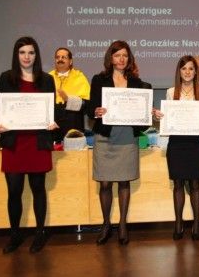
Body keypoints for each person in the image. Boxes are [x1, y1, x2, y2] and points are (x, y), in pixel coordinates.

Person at [0, 36, 58, 253]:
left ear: (36, 56)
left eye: (30, 52)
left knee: (38, 189)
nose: (26, 57)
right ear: (16, 55)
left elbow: (53, 112)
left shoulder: (46, 80)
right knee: (14, 191)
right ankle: (15, 235)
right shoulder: (6, 78)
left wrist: (54, 122)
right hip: (14, 143)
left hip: (37, 143)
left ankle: (39, 234)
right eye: (22, 52)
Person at [88, 40, 151, 245]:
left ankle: (123, 224)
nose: (121, 59)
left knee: (124, 181)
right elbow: (91, 108)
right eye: (117, 55)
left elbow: (142, 113)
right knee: (105, 183)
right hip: (105, 137)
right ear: (111, 58)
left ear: (129, 59)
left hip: (126, 137)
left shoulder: (136, 82)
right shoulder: (99, 79)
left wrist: (145, 114)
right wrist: (96, 112)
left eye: (125, 55)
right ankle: (106, 224)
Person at [153, 55, 199, 241]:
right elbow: (167, 116)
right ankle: (178, 223)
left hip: (195, 143)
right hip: (176, 143)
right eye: (184, 69)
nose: (188, 72)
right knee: (178, 184)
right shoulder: (170, 92)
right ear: (179, 72)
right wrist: (159, 117)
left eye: (191, 69)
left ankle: (197, 224)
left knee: (196, 184)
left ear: (196, 72)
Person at [49, 47, 90, 142]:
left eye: (64, 57)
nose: (60, 59)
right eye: (57, 57)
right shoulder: (48, 77)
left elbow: (86, 104)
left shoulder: (79, 77)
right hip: (53, 122)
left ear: (70, 61)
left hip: (73, 120)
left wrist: (69, 99)